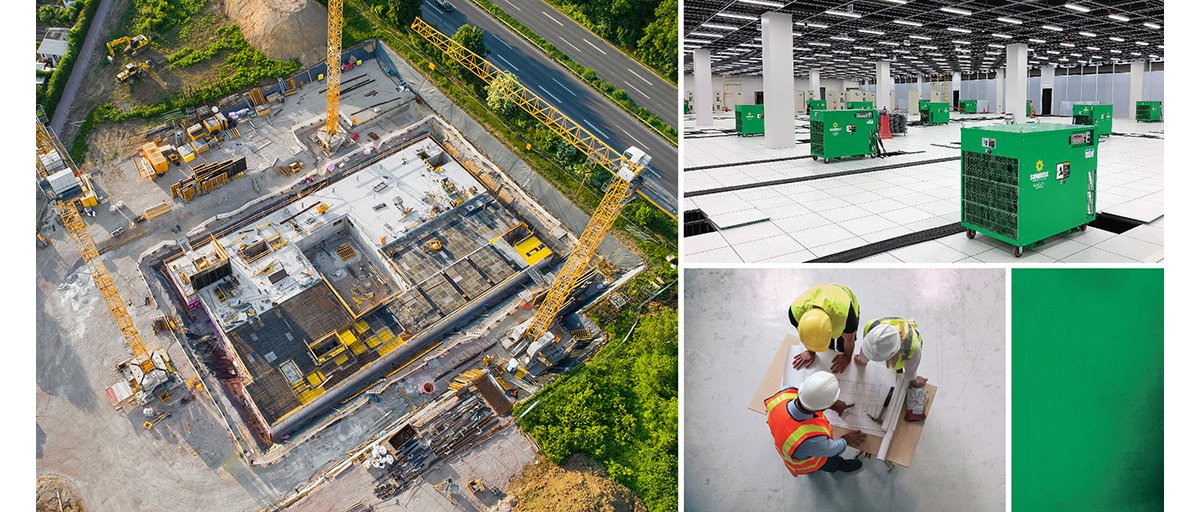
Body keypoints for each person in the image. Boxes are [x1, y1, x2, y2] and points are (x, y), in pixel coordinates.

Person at [764, 371, 867, 475]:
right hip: (809, 462)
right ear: (824, 407)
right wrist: (847, 439)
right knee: (830, 463)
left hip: (787, 441)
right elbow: (833, 450)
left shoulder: (785, 392)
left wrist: (831, 404)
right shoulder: (811, 440)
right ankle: (839, 465)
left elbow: (807, 400)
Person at [855, 317, 929, 421]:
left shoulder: (913, 349)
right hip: (894, 351)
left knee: (898, 374)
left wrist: (913, 380)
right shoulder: (872, 328)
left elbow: (910, 372)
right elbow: (868, 345)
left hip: (904, 355)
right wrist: (863, 360)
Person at [789, 284, 860, 373]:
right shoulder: (795, 314)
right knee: (827, 348)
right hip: (821, 294)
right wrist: (811, 350)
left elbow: (849, 340)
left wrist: (847, 356)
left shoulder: (846, 317)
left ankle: (842, 351)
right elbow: (809, 334)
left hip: (844, 298)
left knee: (843, 345)